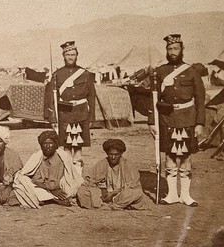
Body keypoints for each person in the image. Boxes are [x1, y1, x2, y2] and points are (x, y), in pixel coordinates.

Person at [149, 34, 205, 207]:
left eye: (176, 48)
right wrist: (152, 121)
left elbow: (200, 99)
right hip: (167, 119)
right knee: (170, 158)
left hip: (187, 119)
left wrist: (200, 123)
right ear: (166, 51)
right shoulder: (160, 72)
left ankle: (186, 195)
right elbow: (153, 99)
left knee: (186, 157)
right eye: (169, 49)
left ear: (182, 50)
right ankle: (172, 195)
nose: (172, 52)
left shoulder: (191, 71)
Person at [44, 40, 95, 174]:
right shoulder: (57, 75)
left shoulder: (85, 74)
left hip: (81, 113)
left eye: (73, 54)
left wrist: (91, 118)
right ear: (63, 56)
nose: (70, 57)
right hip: (64, 114)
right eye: (68, 55)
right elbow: (50, 98)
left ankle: (77, 176)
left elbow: (91, 97)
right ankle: (67, 176)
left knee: (78, 148)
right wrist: (52, 118)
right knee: (65, 147)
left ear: (77, 55)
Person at [13, 130, 83, 208]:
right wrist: (50, 189)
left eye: (50, 143)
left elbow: (66, 176)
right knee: (24, 183)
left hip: (59, 185)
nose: (47, 146)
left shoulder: (62, 157)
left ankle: (48, 198)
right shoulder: (37, 157)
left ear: (55, 145)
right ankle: (54, 200)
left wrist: (55, 188)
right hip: (43, 186)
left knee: (71, 189)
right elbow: (35, 178)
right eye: (45, 143)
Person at [77, 139, 150, 210]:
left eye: (116, 154)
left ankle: (115, 205)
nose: (113, 157)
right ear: (107, 153)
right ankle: (112, 205)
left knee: (136, 193)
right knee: (82, 191)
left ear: (121, 154)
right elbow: (91, 181)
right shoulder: (102, 164)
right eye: (111, 154)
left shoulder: (128, 165)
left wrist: (113, 194)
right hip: (105, 195)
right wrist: (103, 192)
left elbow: (133, 186)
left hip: (121, 194)